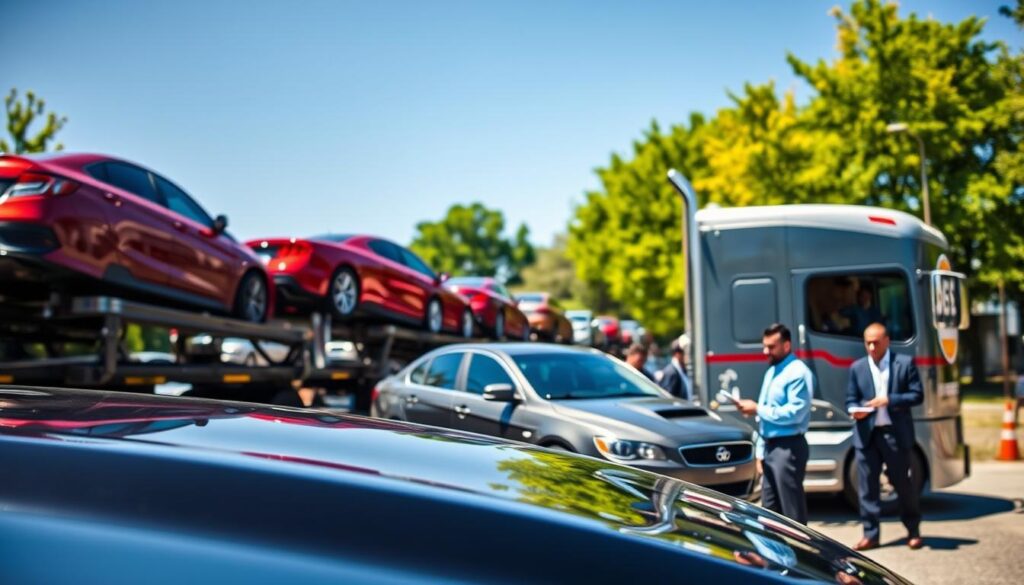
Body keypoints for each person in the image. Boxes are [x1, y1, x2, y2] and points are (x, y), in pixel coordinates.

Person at [845, 322, 923, 551]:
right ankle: (871, 534)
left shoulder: (904, 363)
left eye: (876, 342)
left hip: (894, 434)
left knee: (903, 484)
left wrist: (890, 400)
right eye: (867, 342)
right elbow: (850, 398)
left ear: (887, 341)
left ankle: (913, 530)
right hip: (867, 435)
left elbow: (917, 395)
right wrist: (855, 410)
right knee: (867, 488)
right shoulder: (857, 368)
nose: (871, 347)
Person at [737, 323, 813, 524]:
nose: (765, 351)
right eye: (764, 346)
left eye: (771, 347)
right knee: (770, 511)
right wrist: (761, 452)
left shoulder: (798, 372)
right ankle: (775, 555)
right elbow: (767, 413)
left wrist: (757, 409)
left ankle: (799, 554)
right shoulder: (772, 371)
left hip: (788, 448)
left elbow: (795, 413)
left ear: (787, 346)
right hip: (771, 447)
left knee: (792, 513)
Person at [655, 334, 694, 401]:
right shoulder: (672, 373)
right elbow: (669, 399)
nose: (688, 356)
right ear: (677, 354)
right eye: (684, 352)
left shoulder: (682, 370)